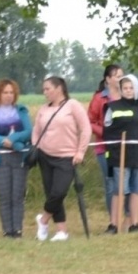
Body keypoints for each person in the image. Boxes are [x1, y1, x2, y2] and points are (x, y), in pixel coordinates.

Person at [30, 76, 93, 242]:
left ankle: (43, 220)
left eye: (47, 89)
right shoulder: (43, 109)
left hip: (67, 157)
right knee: (51, 193)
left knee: (59, 192)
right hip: (45, 156)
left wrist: (80, 152)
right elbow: (36, 130)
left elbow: (86, 128)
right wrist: (36, 147)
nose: (45, 92)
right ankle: (61, 231)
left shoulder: (73, 105)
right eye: (43, 89)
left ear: (59, 88)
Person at [103, 74, 138, 233]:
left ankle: (134, 224)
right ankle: (113, 225)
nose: (128, 90)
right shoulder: (113, 107)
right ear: (121, 90)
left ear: (137, 89)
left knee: (137, 190)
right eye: (125, 88)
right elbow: (107, 130)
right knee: (119, 190)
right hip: (120, 155)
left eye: (131, 87)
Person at [0, 79, 33, 238]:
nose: (9, 95)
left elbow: (28, 131)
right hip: (0, 159)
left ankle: (17, 229)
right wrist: (4, 142)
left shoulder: (21, 111)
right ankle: (7, 230)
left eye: (11, 92)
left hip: (19, 157)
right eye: (5, 92)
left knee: (17, 195)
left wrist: (14, 140)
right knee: (5, 196)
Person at [88, 64, 124, 225]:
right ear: (108, 79)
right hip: (105, 148)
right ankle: (113, 221)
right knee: (110, 184)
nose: (121, 79)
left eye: (122, 75)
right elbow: (89, 121)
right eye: (117, 76)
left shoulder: (127, 94)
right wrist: (106, 132)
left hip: (125, 146)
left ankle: (127, 219)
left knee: (124, 183)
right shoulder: (99, 98)